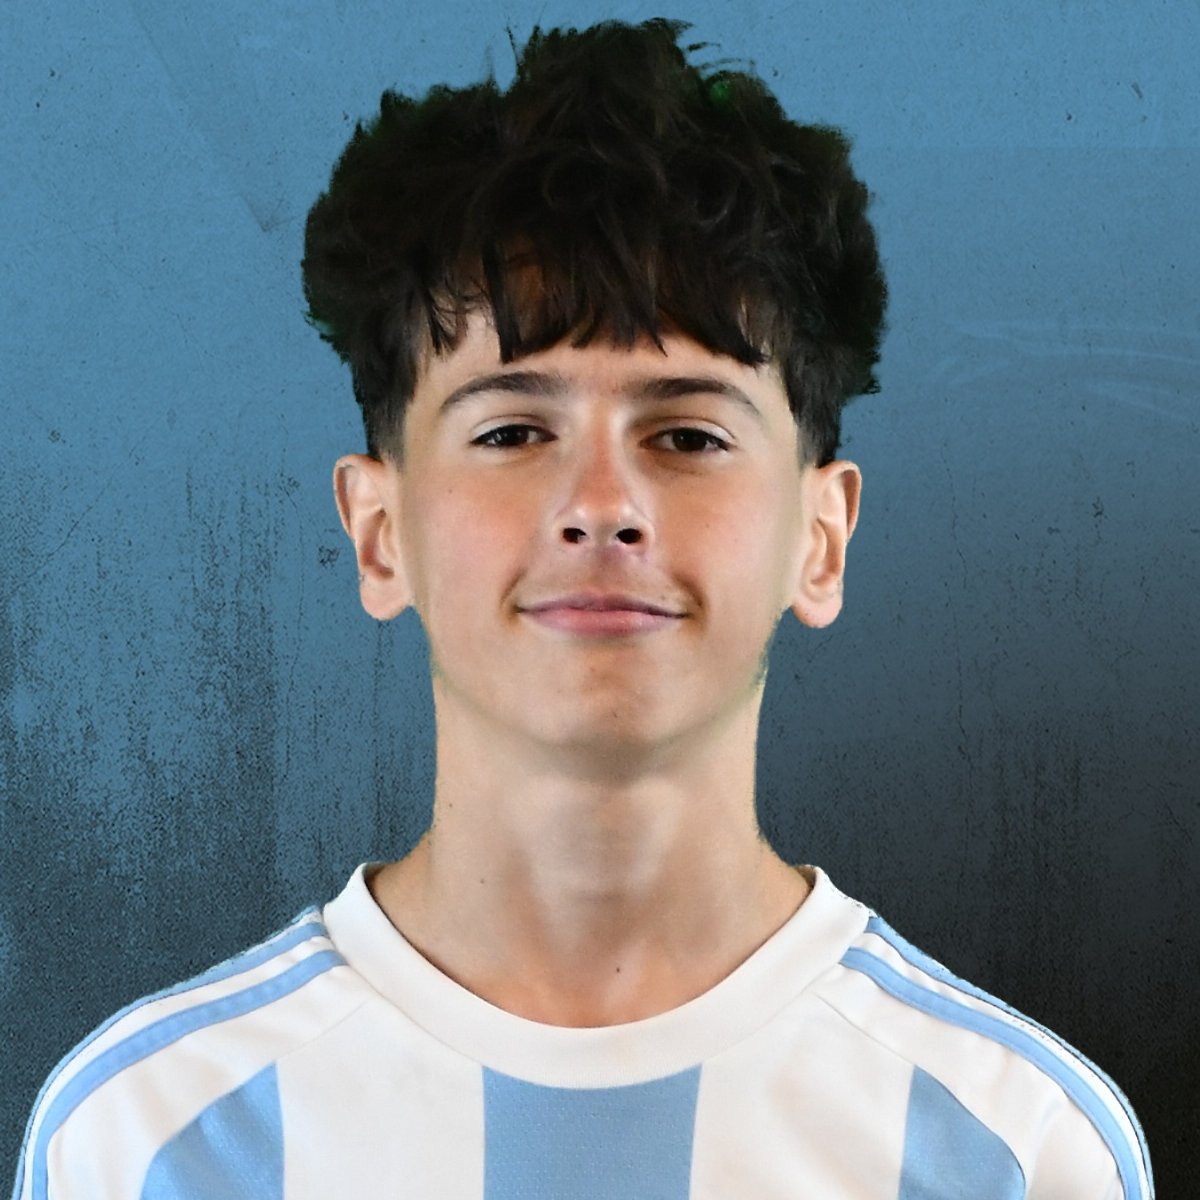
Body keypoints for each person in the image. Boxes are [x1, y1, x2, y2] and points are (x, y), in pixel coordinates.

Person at [12, 17, 1152, 1199]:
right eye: (513, 431)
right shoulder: (142, 1140)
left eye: (688, 435)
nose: (602, 505)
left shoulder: (1020, 1147)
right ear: (379, 529)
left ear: (821, 537)